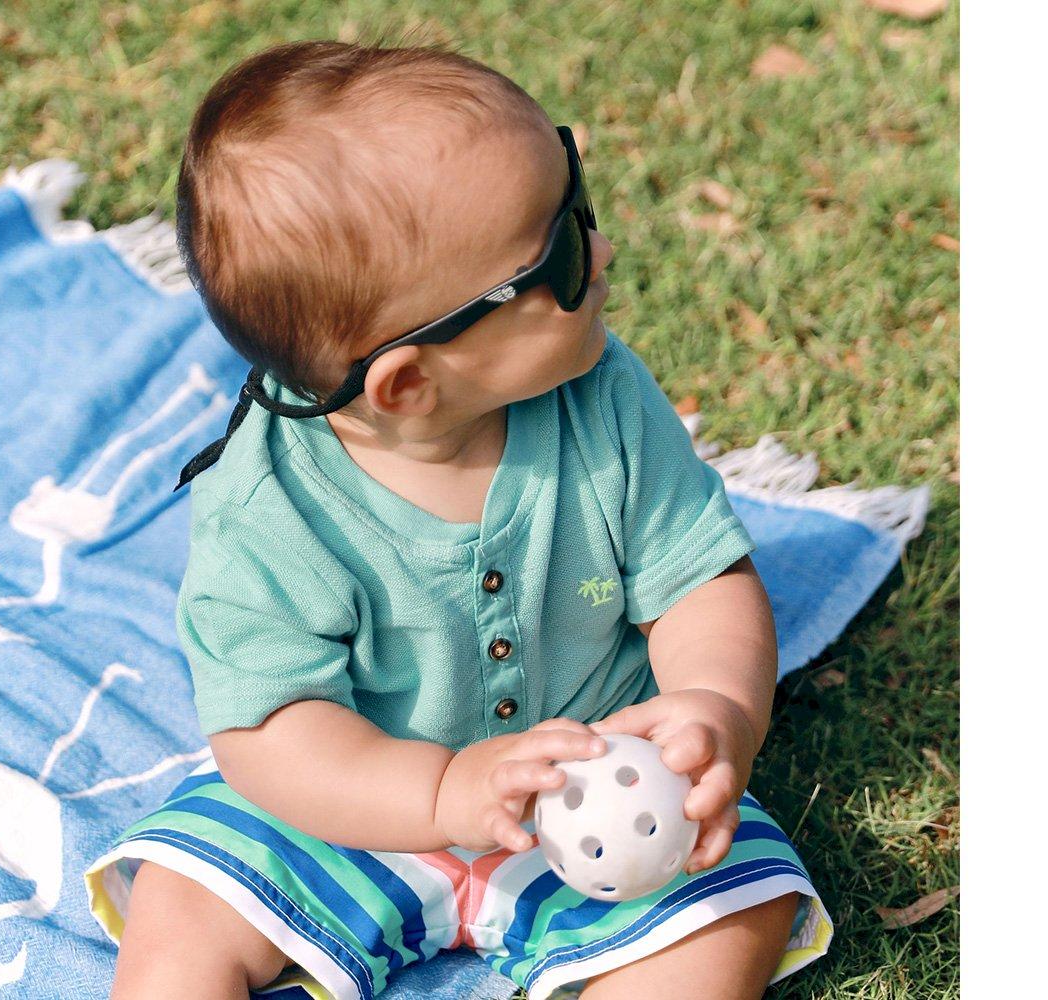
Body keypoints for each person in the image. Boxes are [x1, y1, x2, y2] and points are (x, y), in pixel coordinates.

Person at [85, 39, 832, 1000]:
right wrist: (440, 794)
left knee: (734, 909)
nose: (603, 249)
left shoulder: (603, 402)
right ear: (408, 384)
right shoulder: (268, 506)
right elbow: (274, 732)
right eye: (561, 255)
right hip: (352, 809)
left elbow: (699, 582)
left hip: (601, 778)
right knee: (183, 904)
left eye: (579, 208)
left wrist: (716, 706)